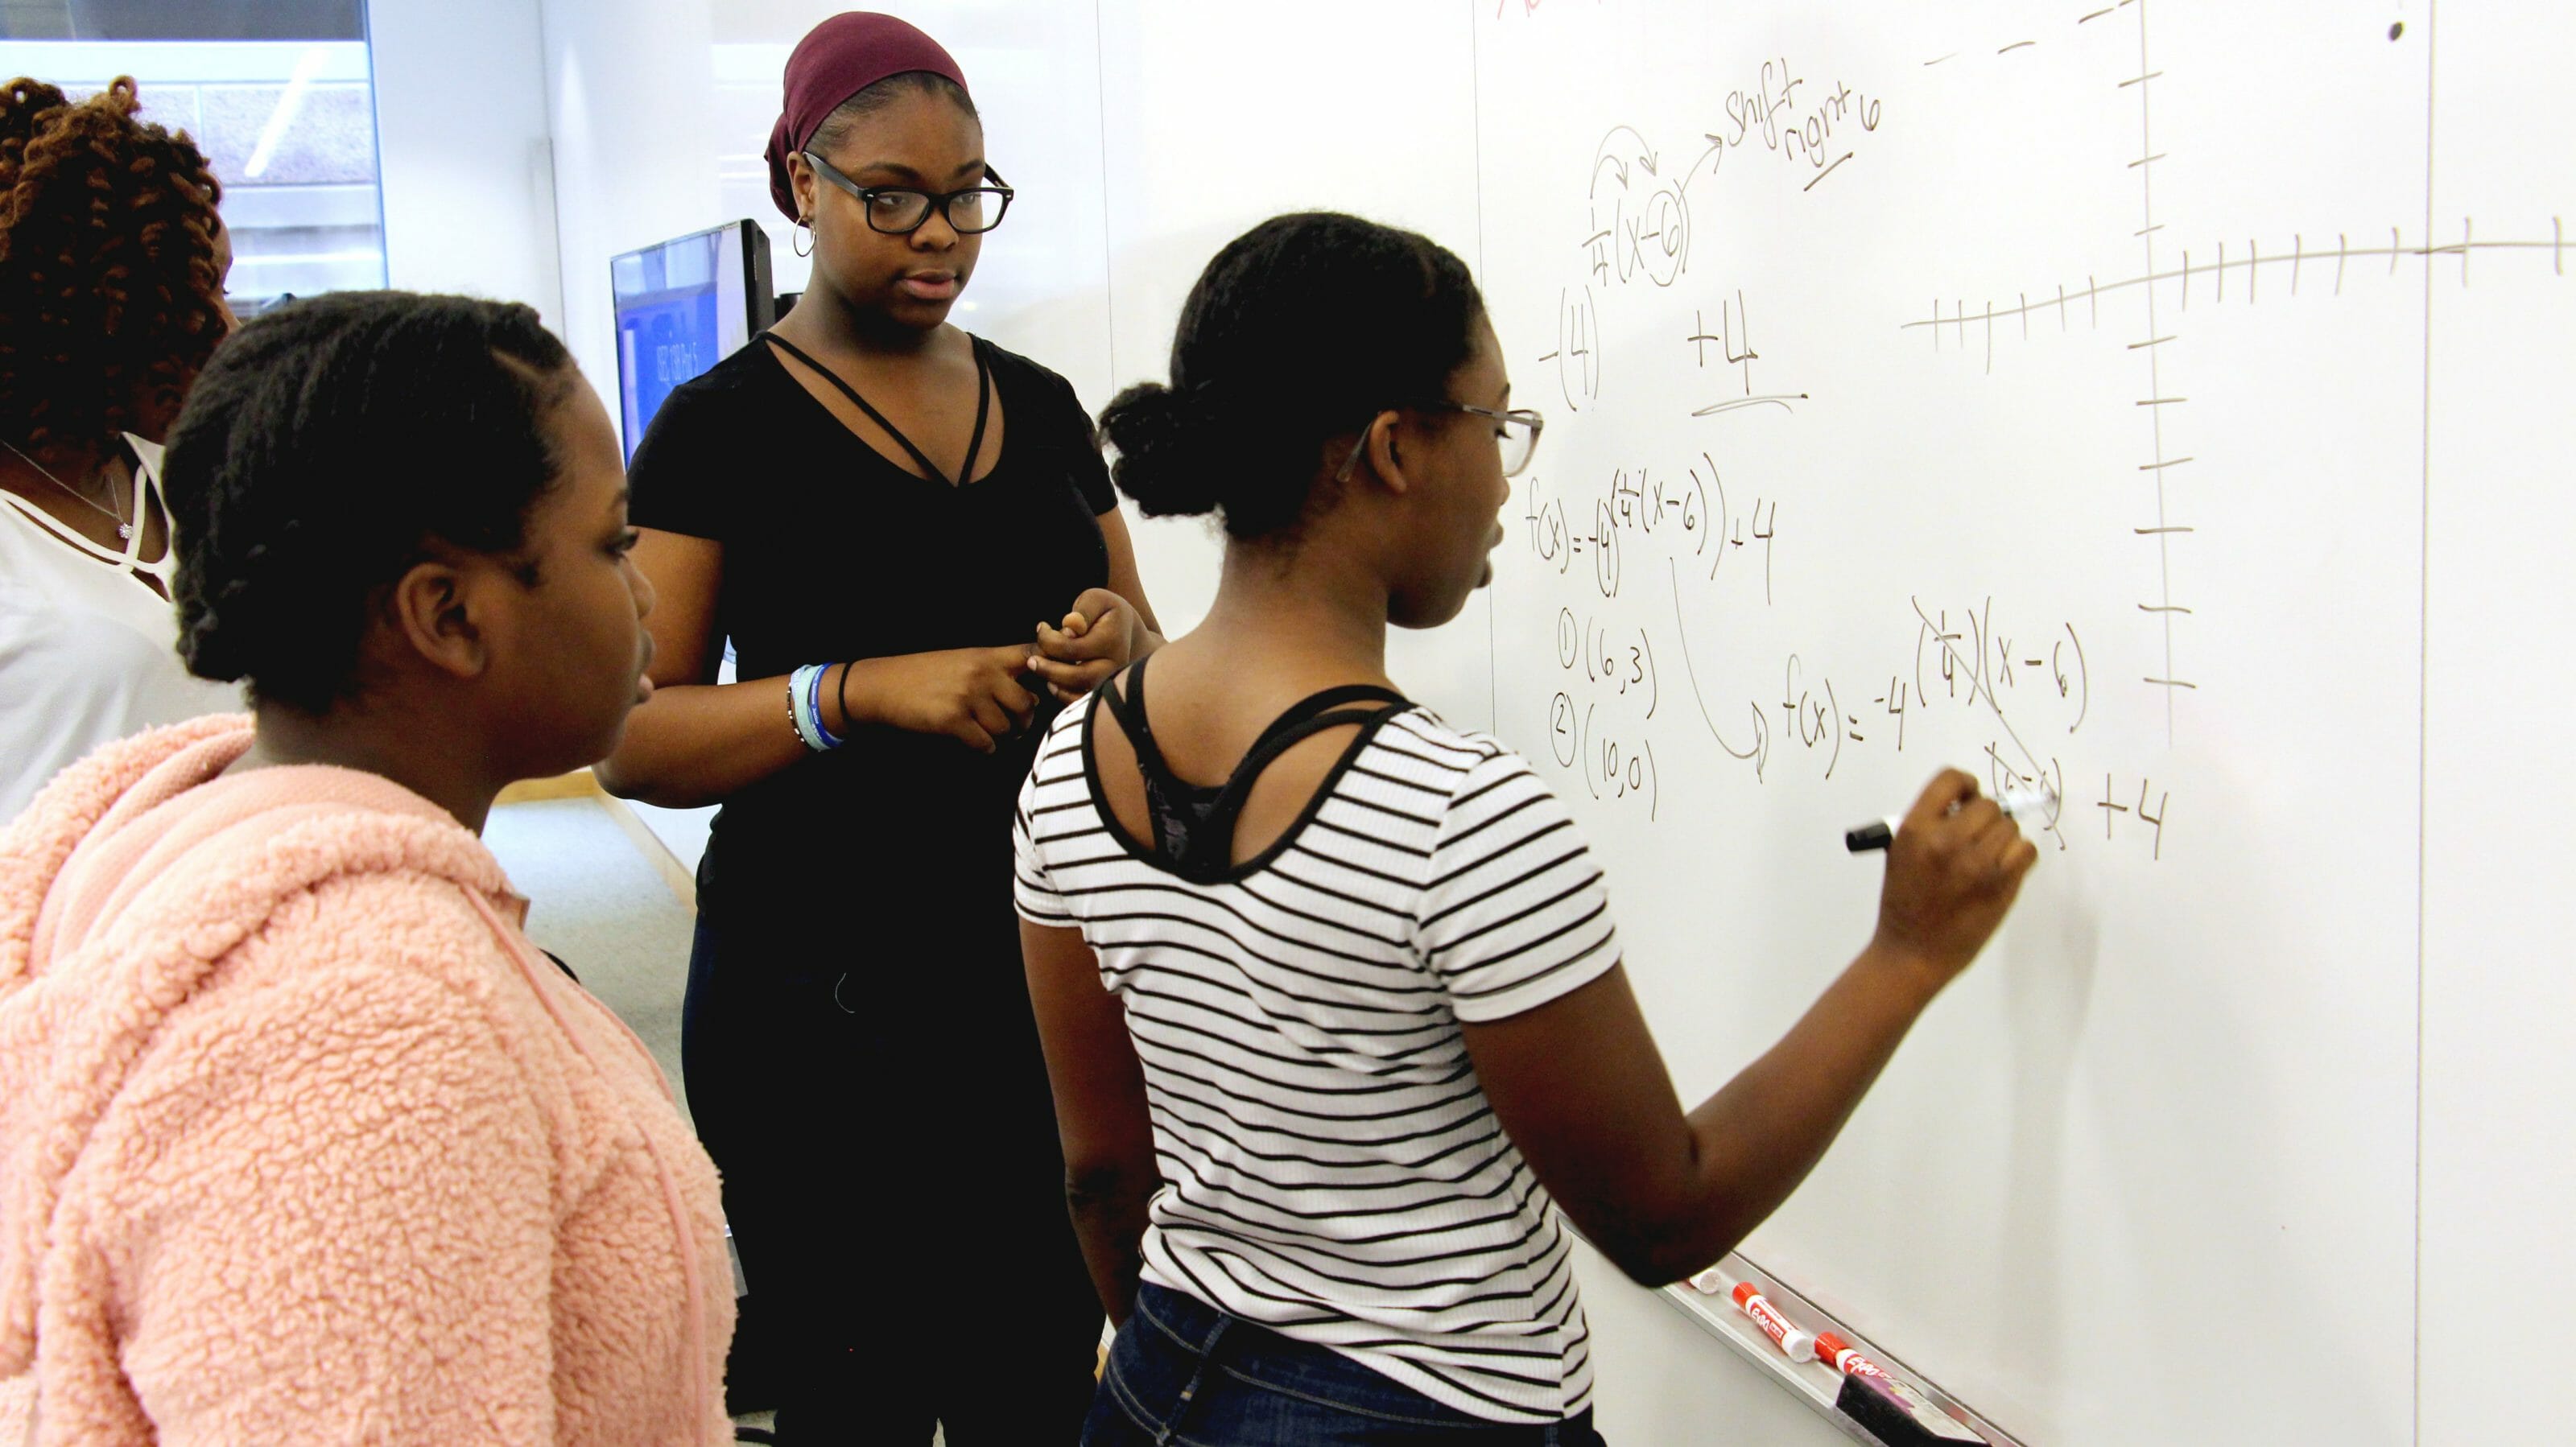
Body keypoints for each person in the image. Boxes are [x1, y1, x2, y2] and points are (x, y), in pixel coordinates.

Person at [1013, 212, 2042, 1445]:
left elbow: (1102, 1174)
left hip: (1161, 1380)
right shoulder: (1460, 819)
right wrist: (1906, 956)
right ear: (1394, 448)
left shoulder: (1068, 767)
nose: (1508, 478)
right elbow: (1663, 1214)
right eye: (1497, 427)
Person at [0, 291, 736, 1445]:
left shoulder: (198, 844)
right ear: (447, 614)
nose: (642, 591)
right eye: (609, 542)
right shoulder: (364, 1024)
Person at [595, 13, 1158, 1441]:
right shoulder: (719, 430)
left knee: (1037, 1371)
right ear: (800, 183)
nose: (942, 231)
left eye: (966, 192)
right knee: (859, 1389)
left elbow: (1143, 641)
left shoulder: (1039, 410)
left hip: (1028, 981)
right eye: (890, 194)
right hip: (816, 1004)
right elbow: (629, 735)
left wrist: (1120, 646)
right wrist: (846, 692)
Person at [0, 76, 240, 820]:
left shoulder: (194, 479)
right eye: (203, 293)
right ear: (91, 315)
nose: (227, 327)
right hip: (53, 926)